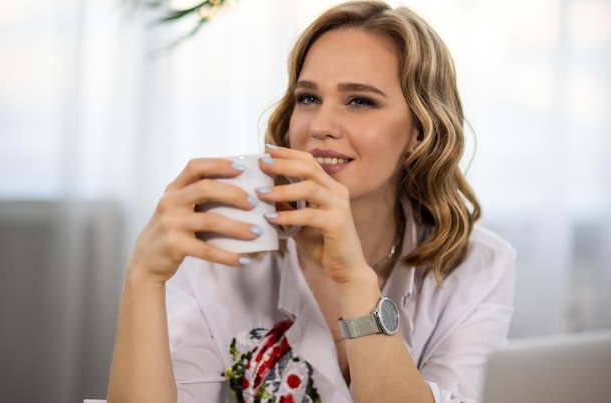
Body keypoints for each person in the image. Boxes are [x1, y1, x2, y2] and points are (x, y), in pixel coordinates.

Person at [105, 1, 516, 402]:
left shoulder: (478, 266)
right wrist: (143, 278)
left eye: (359, 101)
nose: (320, 126)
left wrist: (354, 281)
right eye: (308, 98)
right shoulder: (223, 246)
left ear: (420, 131)